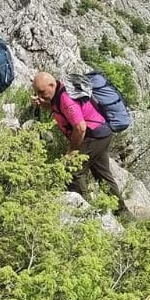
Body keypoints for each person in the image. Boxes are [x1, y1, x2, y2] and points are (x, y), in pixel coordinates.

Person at [32, 72, 126, 211]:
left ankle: (83, 212)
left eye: (41, 92)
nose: (39, 95)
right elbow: (61, 111)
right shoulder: (58, 94)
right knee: (103, 175)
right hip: (101, 133)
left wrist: (72, 151)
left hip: (93, 135)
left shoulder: (65, 98)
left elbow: (80, 128)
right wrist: (45, 104)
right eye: (37, 93)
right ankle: (122, 212)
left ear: (52, 85)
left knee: (73, 171)